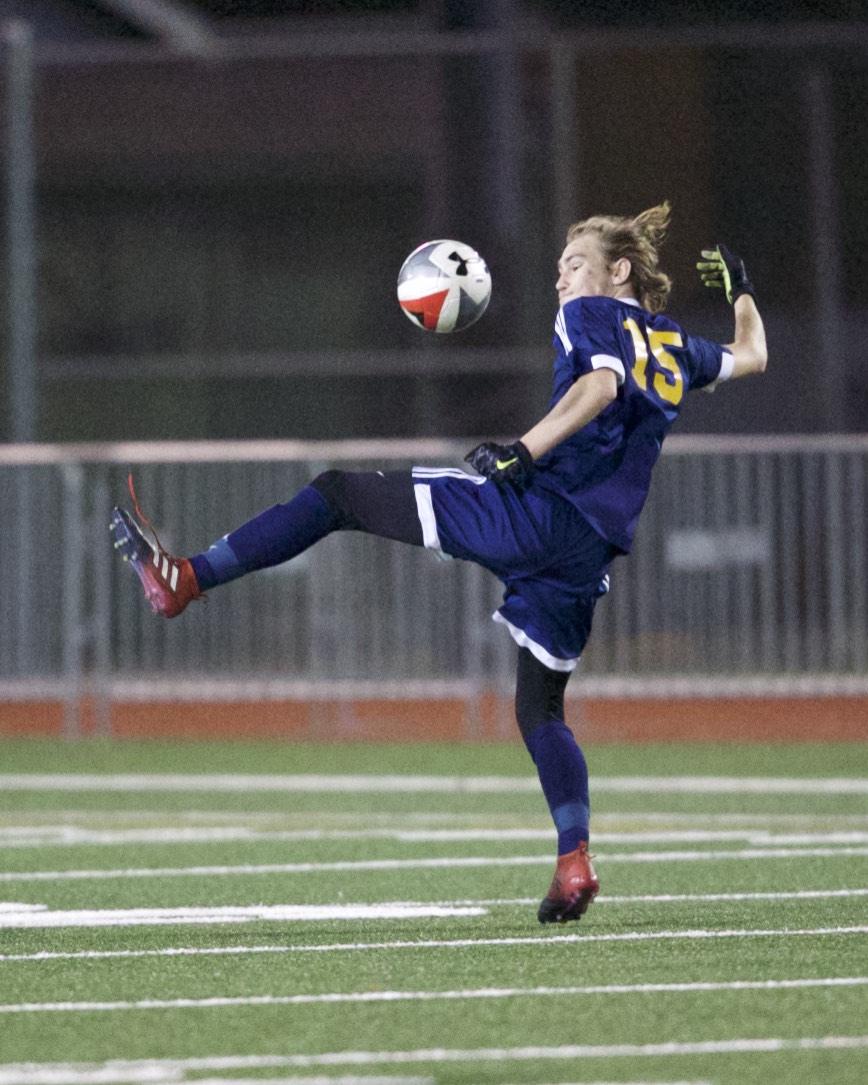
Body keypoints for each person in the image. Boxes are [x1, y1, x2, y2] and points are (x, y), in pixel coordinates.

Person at [110, 201, 767, 924]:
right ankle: (573, 859)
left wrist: (522, 451)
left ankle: (187, 579)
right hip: (587, 553)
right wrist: (740, 290)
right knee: (540, 709)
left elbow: (599, 386)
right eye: (559, 268)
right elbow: (753, 355)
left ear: (619, 271)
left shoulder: (590, 314)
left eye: (575, 263)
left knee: (338, 495)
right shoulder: (673, 345)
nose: (561, 279)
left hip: (534, 514)